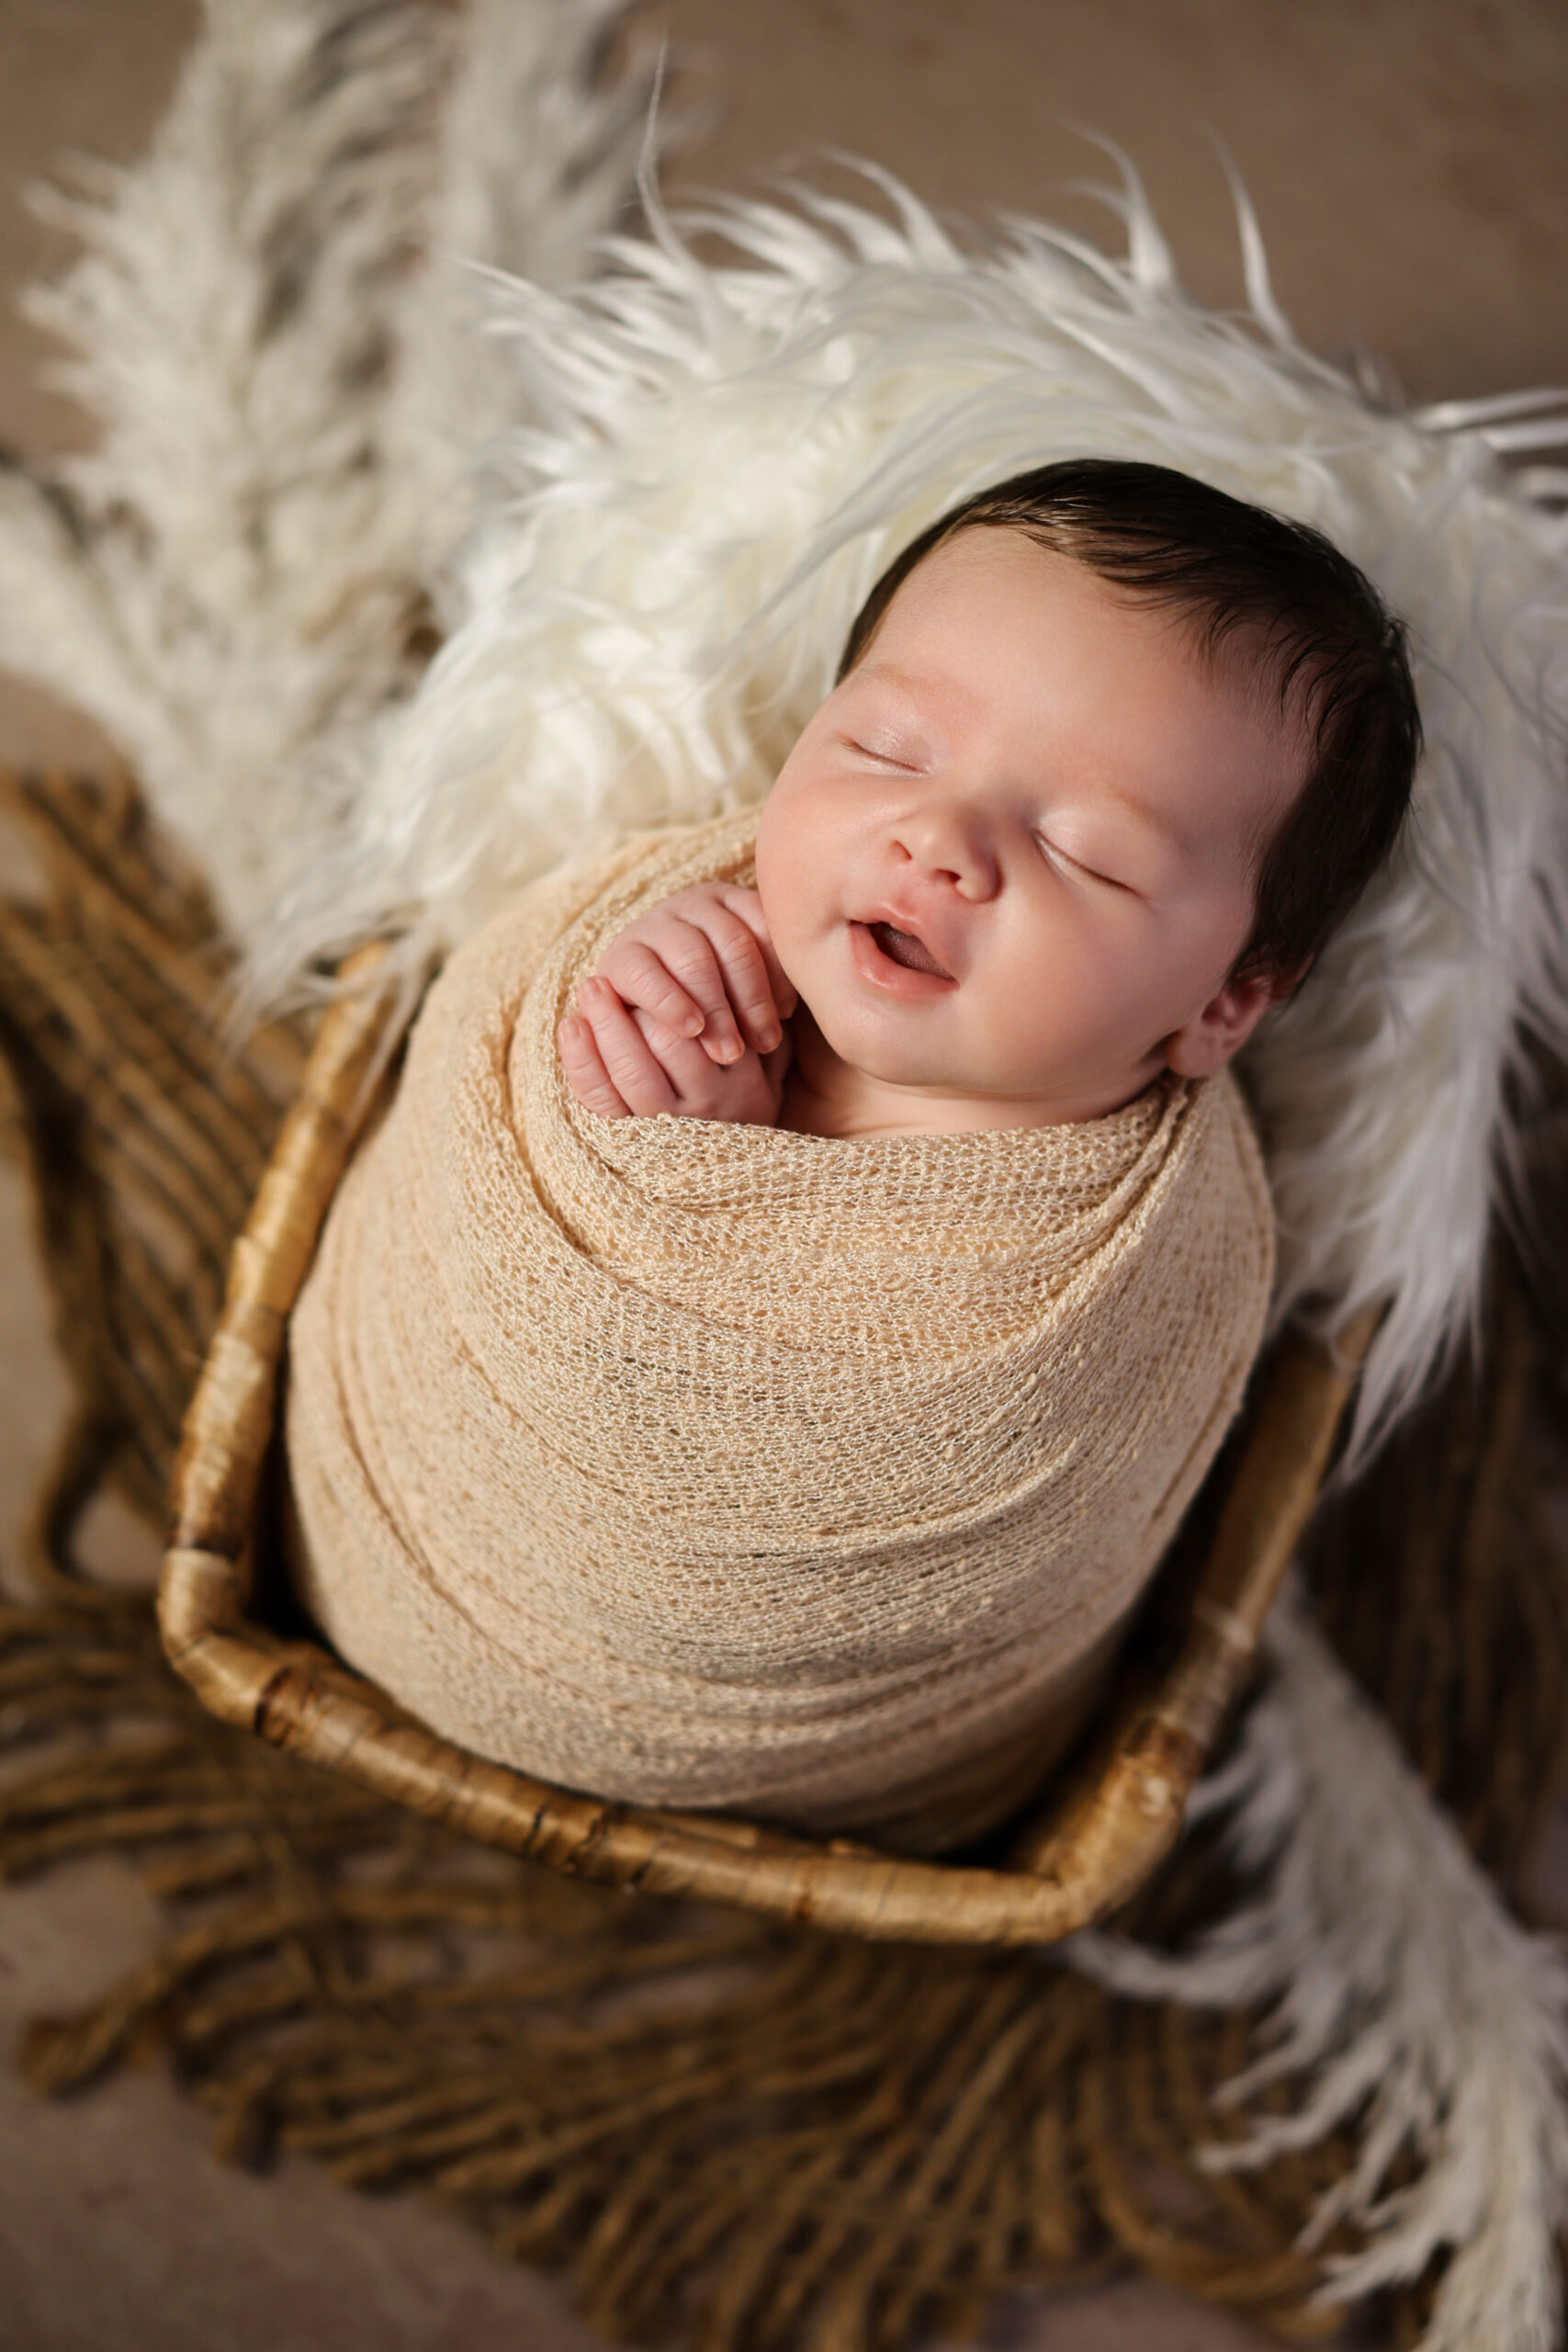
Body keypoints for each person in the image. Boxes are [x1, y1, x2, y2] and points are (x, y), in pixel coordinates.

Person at [558, 458, 1419, 1144]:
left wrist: (709, 1168)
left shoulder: (1070, 1280)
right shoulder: (725, 943)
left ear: (1223, 1003)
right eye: (885, 752)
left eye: (1083, 852)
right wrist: (647, 1000)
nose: (938, 840)